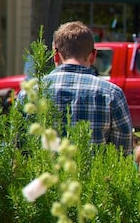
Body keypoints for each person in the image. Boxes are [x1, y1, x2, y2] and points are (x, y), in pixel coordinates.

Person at [42, 21, 133, 153]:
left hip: (43, 173)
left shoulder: (32, 92)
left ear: (55, 55)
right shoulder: (112, 94)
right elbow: (122, 155)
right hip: (95, 174)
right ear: (93, 56)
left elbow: (17, 150)